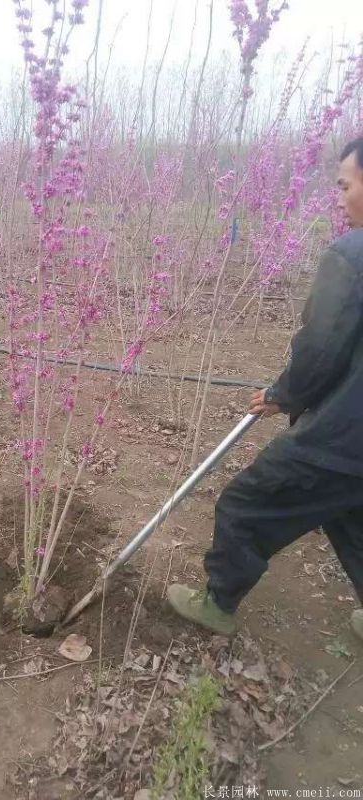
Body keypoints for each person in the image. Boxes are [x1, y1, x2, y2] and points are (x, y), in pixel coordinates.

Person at [167, 137, 363, 641]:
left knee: (245, 503)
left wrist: (285, 393)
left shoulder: (352, 255)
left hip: (345, 435)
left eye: (345, 186)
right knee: (352, 516)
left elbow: (321, 346)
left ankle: (217, 603)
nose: (339, 199)